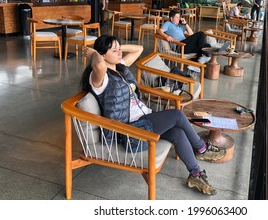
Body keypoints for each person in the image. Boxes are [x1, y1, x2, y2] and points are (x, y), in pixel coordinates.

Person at [81, 35, 226, 195]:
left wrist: (117, 46)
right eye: (114, 50)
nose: (119, 52)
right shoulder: (100, 79)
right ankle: (202, 148)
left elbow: (139, 49)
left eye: (119, 48)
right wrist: (93, 52)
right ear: (101, 55)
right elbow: (99, 64)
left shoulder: (120, 67)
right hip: (129, 131)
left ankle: (195, 174)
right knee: (177, 115)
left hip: (143, 119)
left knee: (178, 133)